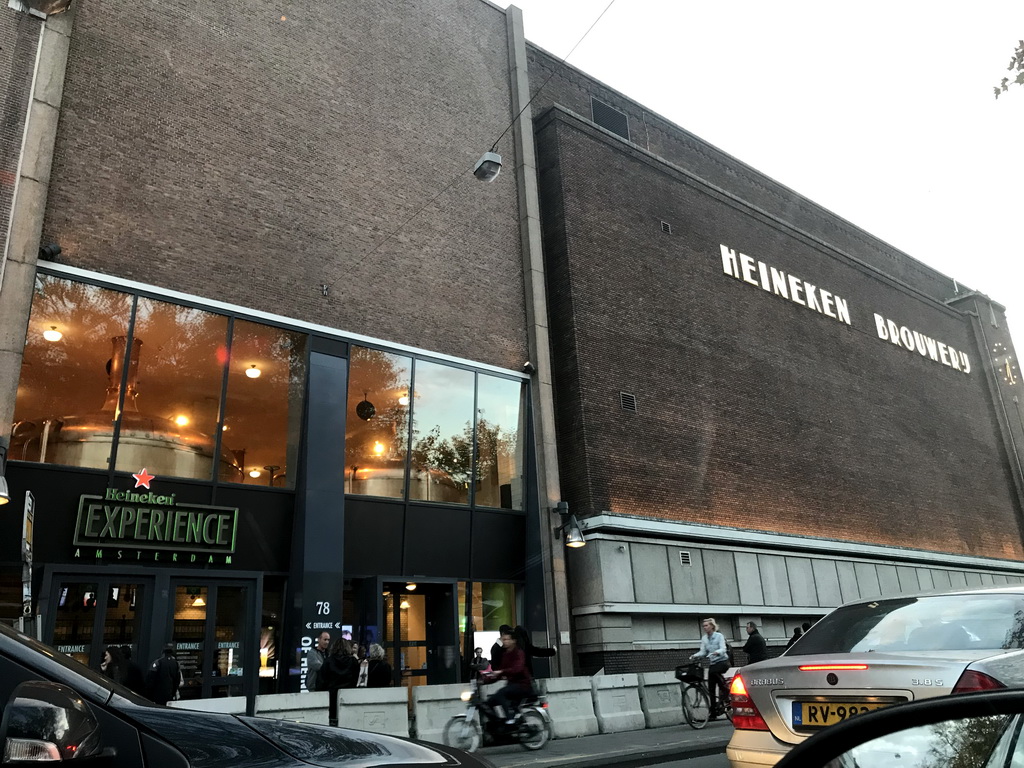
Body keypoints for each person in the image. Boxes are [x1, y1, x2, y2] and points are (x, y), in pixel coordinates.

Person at [486, 629, 533, 724]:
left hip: (522, 685)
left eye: (506, 639)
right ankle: (497, 724)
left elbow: (517, 669)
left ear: (513, 641)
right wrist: (484, 680)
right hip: (512, 685)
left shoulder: (519, 653)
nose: (504, 642)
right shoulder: (505, 655)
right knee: (490, 702)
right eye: (503, 639)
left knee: (501, 693)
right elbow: (499, 673)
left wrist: (501, 672)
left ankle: (510, 718)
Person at [689, 618, 730, 719]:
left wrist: (717, 652)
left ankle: (726, 692)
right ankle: (713, 712)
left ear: (712, 626)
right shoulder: (704, 639)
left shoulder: (719, 636)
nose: (705, 627)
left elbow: (723, 648)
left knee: (713, 672)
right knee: (711, 688)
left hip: (722, 661)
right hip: (713, 663)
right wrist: (694, 656)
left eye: (706, 625)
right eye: (703, 626)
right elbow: (703, 651)